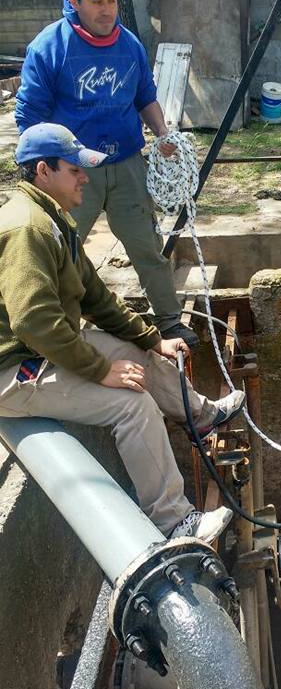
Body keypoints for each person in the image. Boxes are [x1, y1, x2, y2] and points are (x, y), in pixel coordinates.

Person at [0, 122, 245, 542]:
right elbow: (34, 321)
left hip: (42, 348)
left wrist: (151, 339)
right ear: (43, 171)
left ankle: (199, 416)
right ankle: (174, 521)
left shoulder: (52, 218)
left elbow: (96, 297)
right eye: (74, 169)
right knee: (130, 406)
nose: (84, 177)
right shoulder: (28, 228)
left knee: (136, 354)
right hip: (14, 370)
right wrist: (101, 372)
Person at [14, 0, 198, 347]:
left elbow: (146, 97)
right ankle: (60, 333)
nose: (106, 9)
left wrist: (163, 134)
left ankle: (169, 321)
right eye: (96, 1)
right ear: (74, 1)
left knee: (147, 246)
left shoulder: (128, 45)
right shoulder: (50, 47)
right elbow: (29, 117)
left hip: (126, 163)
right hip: (75, 169)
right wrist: (44, 171)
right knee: (61, 250)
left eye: (112, 0)